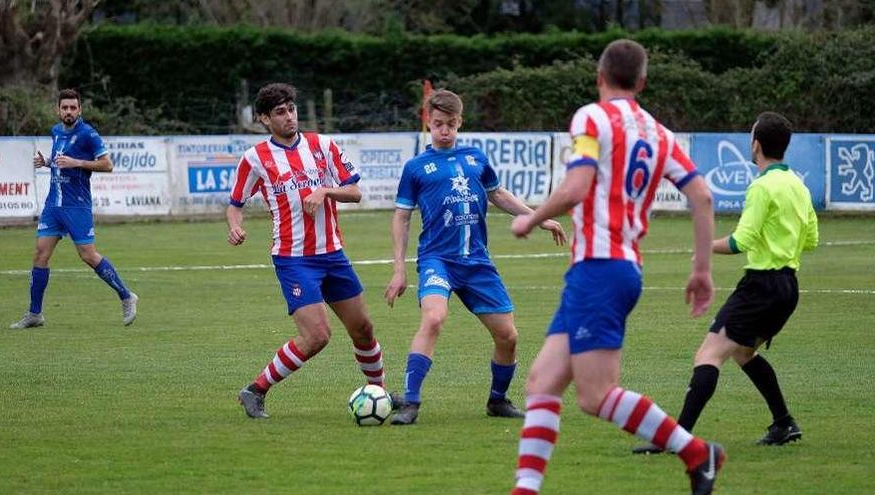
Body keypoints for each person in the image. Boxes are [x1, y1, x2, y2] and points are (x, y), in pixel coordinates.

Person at [507, 40, 725, 495]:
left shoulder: (592, 117)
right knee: (542, 381)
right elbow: (702, 196)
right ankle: (525, 489)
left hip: (601, 269)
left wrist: (531, 217)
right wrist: (701, 270)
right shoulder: (659, 133)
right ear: (642, 82)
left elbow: (576, 186)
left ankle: (695, 452)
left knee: (595, 395)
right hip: (610, 268)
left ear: (599, 77)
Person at [633, 111, 818, 455]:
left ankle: (678, 438)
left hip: (761, 286)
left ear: (756, 144)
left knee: (709, 354)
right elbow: (811, 240)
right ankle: (783, 423)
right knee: (744, 353)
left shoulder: (762, 186)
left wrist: (704, 247)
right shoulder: (798, 185)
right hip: (788, 287)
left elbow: (740, 242)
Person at [385, 89, 567, 426]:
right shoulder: (416, 168)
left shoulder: (476, 158)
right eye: (438, 124)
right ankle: (411, 402)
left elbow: (497, 193)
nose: (444, 131)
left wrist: (538, 216)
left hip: (477, 263)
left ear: (460, 123)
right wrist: (399, 269)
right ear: (428, 122)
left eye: (451, 125)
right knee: (434, 318)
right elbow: (402, 217)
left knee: (508, 337)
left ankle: (497, 401)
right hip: (438, 260)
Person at [230, 83, 395, 419]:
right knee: (317, 335)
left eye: (291, 108)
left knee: (363, 329)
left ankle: (379, 393)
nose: (289, 116)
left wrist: (325, 191)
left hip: (332, 254)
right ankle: (255, 390)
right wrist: (234, 225)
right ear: (264, 119)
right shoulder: (254, 158)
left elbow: (355, 192)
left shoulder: (323, 145)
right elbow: (235, 203)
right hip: (293, 259)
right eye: (280, 112)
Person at [10, 89, 138, 329]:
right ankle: (35, 314)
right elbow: (61, 161)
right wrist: (47, 162)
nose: (68, 112)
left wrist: (77, 162)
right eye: (64, 107)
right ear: (58, 109)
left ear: (79, 110)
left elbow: (108, 165)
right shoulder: (56, 131)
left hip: (76, 205)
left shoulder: (88, 134)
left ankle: (126, 295)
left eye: (73, 108)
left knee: (88, 255)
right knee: (40, 253)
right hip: (53, 205)